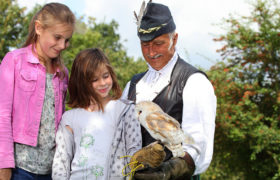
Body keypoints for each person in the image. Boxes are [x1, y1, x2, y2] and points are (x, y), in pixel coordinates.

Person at [122, 1, 217, 180]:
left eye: (158, 43)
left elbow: (197, 147)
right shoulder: (132, 85)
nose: (151, 52)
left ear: (175, 39)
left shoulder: (194, 82)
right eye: (145, 45)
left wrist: (167, 172)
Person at [0, 3, 75, 180]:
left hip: (51, 170)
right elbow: (2, 115)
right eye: (57, 37)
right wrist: (4, 164)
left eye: (67, 39)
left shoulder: (62, 73)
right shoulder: (14, 61)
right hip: (19, 168)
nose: (63, 45)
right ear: (39, 28)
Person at [51, 48, 142, 180]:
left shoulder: (125, 110)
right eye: (95, 79)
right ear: (82, 82)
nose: (103, 83)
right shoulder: (69, 118)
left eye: (106, 76)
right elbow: (61, 162)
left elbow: (134, 154)